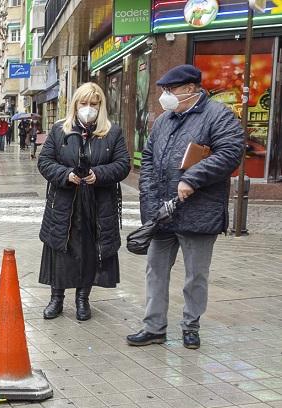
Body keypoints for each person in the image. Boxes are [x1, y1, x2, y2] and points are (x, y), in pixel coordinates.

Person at [127, 65, 244, 349]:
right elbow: (149, 165)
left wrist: (193, 178)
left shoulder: (219, 116)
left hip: (199, 212)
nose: (165, 96)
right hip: (163, 215)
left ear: (190, 89)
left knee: (196, 275)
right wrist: (151, 207)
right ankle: (154, 327)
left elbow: (231, 152)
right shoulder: (164, 121)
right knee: (155, 270)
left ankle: (191, 326)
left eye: (170, 90)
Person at [37, 82, 130, 321]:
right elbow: (45, 161)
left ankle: (82, 299)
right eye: (84, 103)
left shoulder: (112, 132)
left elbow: (122, 165)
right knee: (60, 250)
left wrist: (98, 174)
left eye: (94, 104)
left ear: (101, 107)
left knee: (89, 252)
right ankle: (56, 298)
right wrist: (65, 175)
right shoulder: (60, 131)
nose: (88, 108)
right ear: (75, 105)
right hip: (65, 202)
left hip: (97, 205)